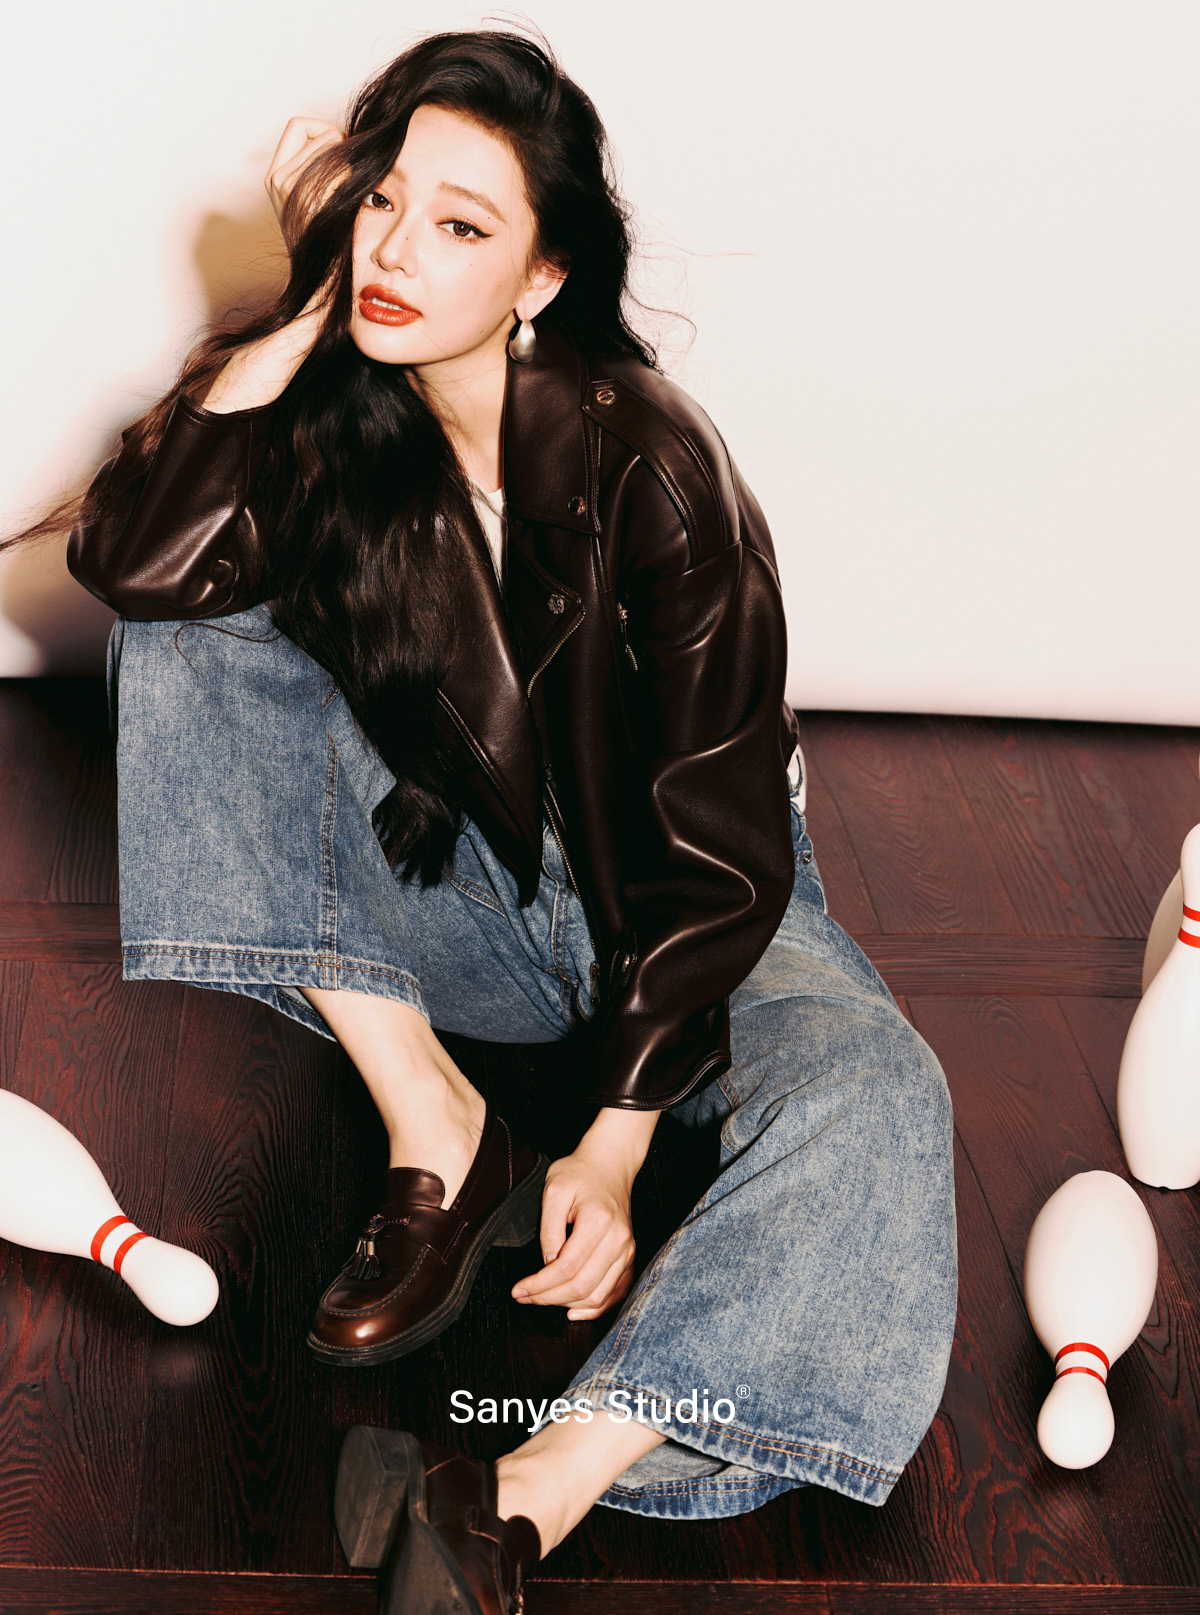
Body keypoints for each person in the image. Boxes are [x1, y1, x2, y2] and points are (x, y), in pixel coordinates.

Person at [10, 28, 958, 1615]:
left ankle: (516, 1492)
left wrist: (621, 1138)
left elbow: (726, 851)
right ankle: (439, 1130)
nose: (400, 249)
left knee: (883, 1093)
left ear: (542, 277)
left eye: (460, 225)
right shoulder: (331, 418)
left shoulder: (651, 460)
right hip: (478, 911)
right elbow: (135, 564)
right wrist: (307, 308)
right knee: (184, 630)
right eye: (383, 201)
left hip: (697, 916)